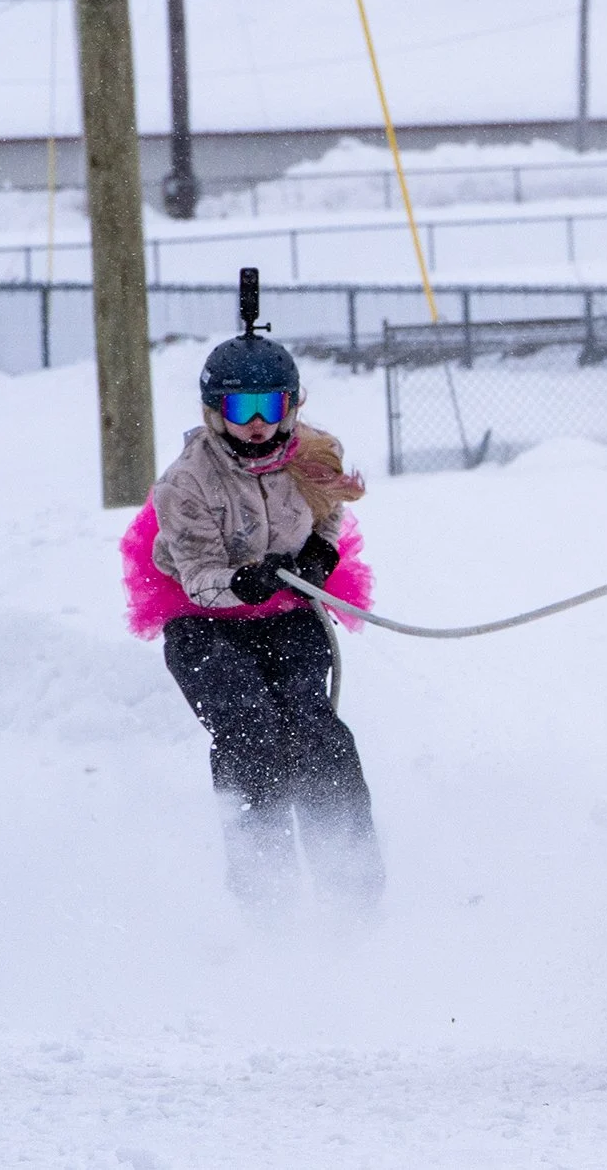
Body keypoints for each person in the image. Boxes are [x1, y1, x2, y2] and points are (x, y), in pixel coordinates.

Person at [121, 311, 385, 915]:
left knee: (315, 731)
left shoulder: (313, 453)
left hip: (287, 611)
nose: (259, 425)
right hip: (205, 621)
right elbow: (198, 576)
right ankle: (267, 894)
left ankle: (353, 884)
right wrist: (242, 581)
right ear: (217, 414)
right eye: (242, 411)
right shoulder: (186, 485)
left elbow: (328, 510)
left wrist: (320, 550)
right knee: (252, 735)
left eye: (270, 407)